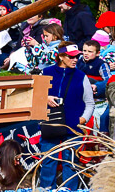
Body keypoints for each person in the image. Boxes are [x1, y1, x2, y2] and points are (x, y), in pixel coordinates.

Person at [39, 41, 94, 190]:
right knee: (48, 161)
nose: (75, 59)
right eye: (71, 57)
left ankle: (69, 190)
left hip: (73, 127)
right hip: (51, 125)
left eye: (76, 56)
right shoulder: (46, 73)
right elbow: (35, 97)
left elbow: (90, 103)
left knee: (70, 162)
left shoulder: (82, 76)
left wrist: (83, 119)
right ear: (61, 57)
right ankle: (45, 189)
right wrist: (46, 98)